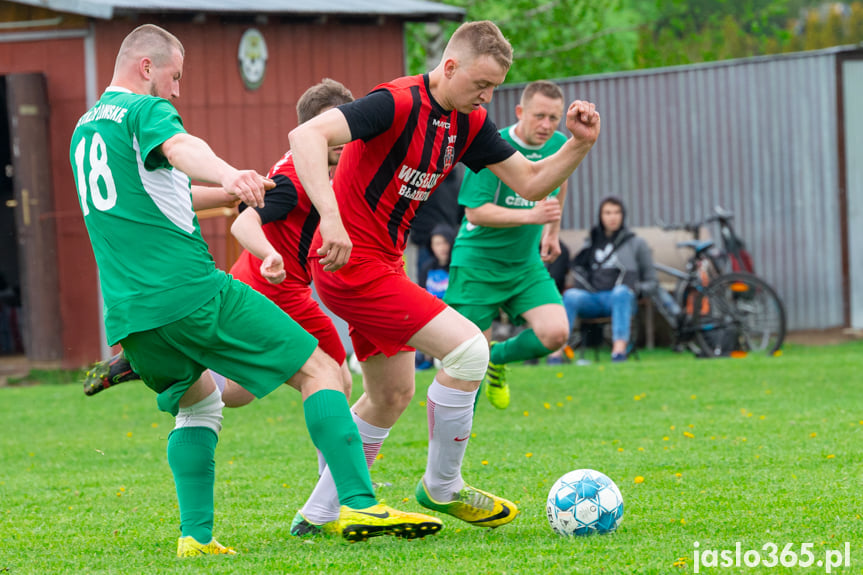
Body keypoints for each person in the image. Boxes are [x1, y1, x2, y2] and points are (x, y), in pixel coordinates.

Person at [70, 24, 440, 557]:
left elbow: (158, 196)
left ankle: (195, 539)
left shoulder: (86, 130)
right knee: (322, 372)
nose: (176, 90)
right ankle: (359, 502)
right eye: (174, 77)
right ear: (147, 67)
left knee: (199, 408)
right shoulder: (144, 111)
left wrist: (229, 192)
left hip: (132, 317)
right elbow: (182, 146)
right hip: (192, 292)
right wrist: (233, 172)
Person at [286, 20, 600, 533]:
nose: (486, 98)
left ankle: (317, 514)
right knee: (472, 349)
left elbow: (532, 179)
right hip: (352, 266)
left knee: (391, 395)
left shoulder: (470, 123)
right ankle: (442, 485)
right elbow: (306, 135)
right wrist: (330, 217)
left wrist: (578, 145)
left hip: (383, 265)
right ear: (449, 66)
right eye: (481, 85)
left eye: (494, 88)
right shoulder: (396, 101)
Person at [444, 80, 571, 409]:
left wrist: (552, 231)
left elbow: (560, 181)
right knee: (467, 365)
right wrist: (533, 216)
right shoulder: (493, 145)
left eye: (554, 118)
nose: (547, 125)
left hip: (524, 265)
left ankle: (497, 359)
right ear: (520, 112)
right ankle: (452, 453)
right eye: (539, 116)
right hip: (477, 265)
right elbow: (476, 211)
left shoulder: (559, 144)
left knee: (556, 333)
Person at [562, 196, 658, 361]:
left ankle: (619, 352)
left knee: (620, 292)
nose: (612, 217)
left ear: (623, 215)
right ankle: (557, 352)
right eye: (607, 213)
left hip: (621, 299)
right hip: (593, 299)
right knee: (570, 296)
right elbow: (579, 270)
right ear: (601, 216)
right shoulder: (591, 242)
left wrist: (635, 289)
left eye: (616, 212)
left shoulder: (636, 243)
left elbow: (652, 282)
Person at [416, 223, 455, 370]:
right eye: (437, 243)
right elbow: (421, 293)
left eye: (445, 242)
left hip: (452, 313)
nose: (442, 248)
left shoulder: (456, 267)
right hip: (431, 313)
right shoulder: (427, 267)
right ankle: (426, 358)